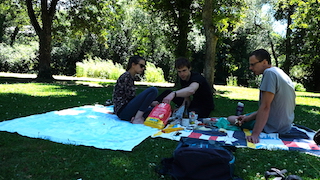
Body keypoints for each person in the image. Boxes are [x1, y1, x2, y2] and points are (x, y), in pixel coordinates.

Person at [227, 49, 296, 143]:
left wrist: (255, 134)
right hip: (285, 126)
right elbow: (272, 107)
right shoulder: (280, 73)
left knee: (231, 118)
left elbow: (265, 107)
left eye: (253, 64)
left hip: (273, 126)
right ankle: (247, 118)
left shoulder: (269, 73)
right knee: (243, 118)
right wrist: (248, 117)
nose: (250, 68)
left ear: (264, 62)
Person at [112, 55, 159, 124]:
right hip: (123, 110)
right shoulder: (126, 77)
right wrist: (150, 102)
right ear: (133, 65)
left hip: (125, 110)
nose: (143, 68)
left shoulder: (130, 77)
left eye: (144, 67)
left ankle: (136, 116)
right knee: (153, 90)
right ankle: (137, 118)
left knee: (154, 111)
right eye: (141, 66)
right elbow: (131, 97)